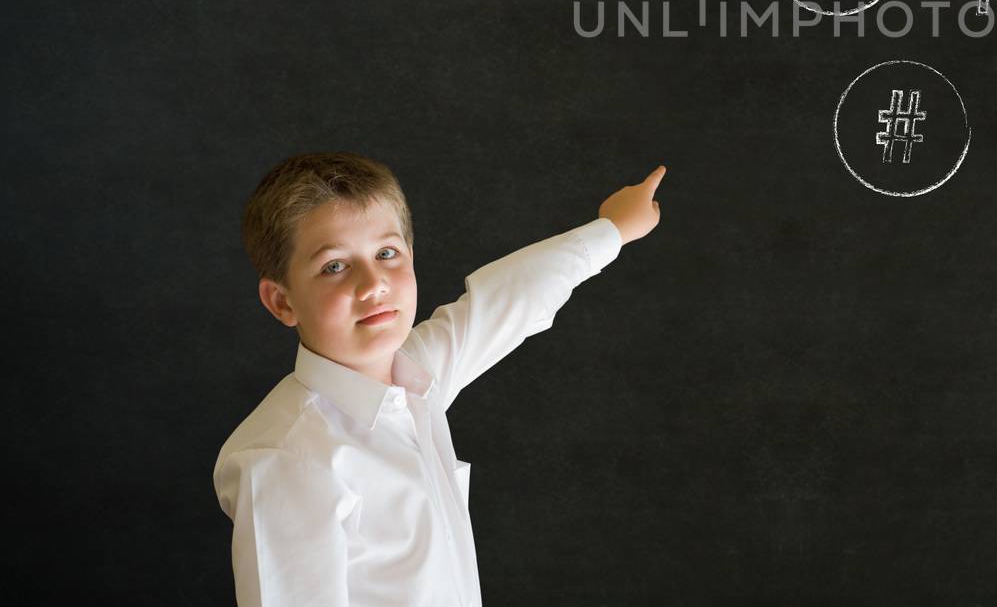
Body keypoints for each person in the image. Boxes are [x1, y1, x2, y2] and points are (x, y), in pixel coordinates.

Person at [213, 151, 664, 606]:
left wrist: (614, 230)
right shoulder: (286, 460)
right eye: (335, 265)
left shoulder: (413, 377)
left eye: (386, 253)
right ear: (282, 302)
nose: (374, 284)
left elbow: (505, 302)